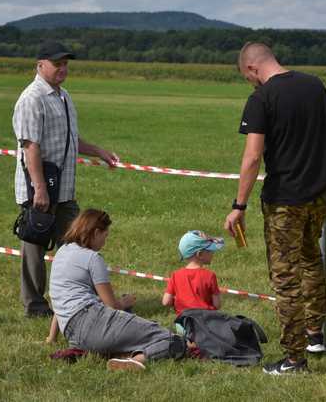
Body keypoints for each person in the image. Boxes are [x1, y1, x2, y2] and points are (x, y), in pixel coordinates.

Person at [223, 42, 326, 375]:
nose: (251, 83)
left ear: (252, 69)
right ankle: (316, 334)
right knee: (311, 259)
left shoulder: (261, 98)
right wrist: (323, 165)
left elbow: (252, 157)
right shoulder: (314, 84)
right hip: (319, 193)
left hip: (284, 201)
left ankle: (293, 358)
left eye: (249, 77)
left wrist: (239, 204)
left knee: (286, 279)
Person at [12, 41, 118, 317]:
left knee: (77, 243)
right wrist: (39, 190)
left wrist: (100, 152)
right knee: (34, 246)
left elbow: (72, 140)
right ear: (40, 65)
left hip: (65, 190)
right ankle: (35, 305)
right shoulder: (31, 99)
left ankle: (77, 297)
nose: (63, 68)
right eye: (57, 63)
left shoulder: (64, 96)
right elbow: (30, 147)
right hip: (40, 190)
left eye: (66, 64)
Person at [49, 209, 185, 371]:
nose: (104, 242)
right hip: (91, 322)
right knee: (173, 340)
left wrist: (52, 337)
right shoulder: (92, 258)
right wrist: (124, 301)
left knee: (132, 326)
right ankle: (137, 359)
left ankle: (117, 353)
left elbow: (60, 299)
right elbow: (112, 305)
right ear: (96, 232)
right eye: (105, 236)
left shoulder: (62, 251)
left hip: (72, 334)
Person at [162, 230, 223, 317]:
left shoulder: (176, 275)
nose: (213, 253)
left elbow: (166, 302)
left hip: (184, 322)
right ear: (200, 254)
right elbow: (217, 305)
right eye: (210, 250)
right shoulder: (209, 276)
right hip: (205, 322)